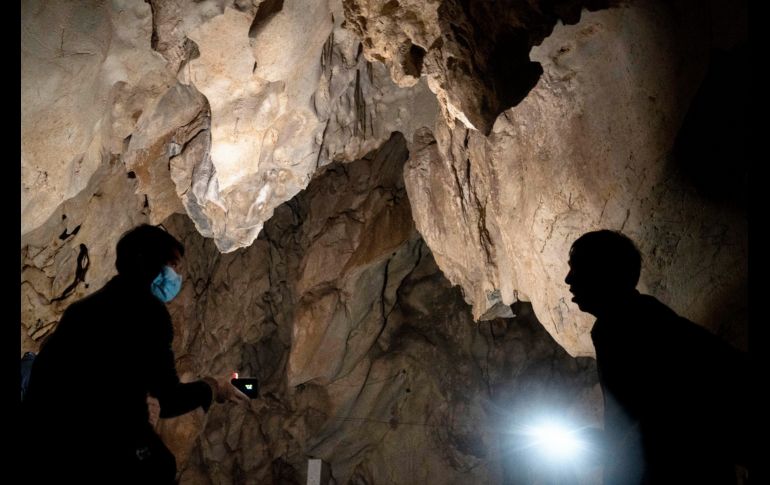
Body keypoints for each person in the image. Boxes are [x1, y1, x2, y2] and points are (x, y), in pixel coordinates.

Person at [22, 224, 248, 484]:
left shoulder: (82, 310)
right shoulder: (149, 313)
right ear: (152, 264)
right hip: (80, 448)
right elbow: (170, 399)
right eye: (175, 267)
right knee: (160, 466)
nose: (178, 277)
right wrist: (214, 387)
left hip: (39, 437)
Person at [565, 229, 749, 485]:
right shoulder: (638, 319)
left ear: (603, 273)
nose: (568, 279)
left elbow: (667, 414)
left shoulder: (634, 325)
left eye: (577, 269)